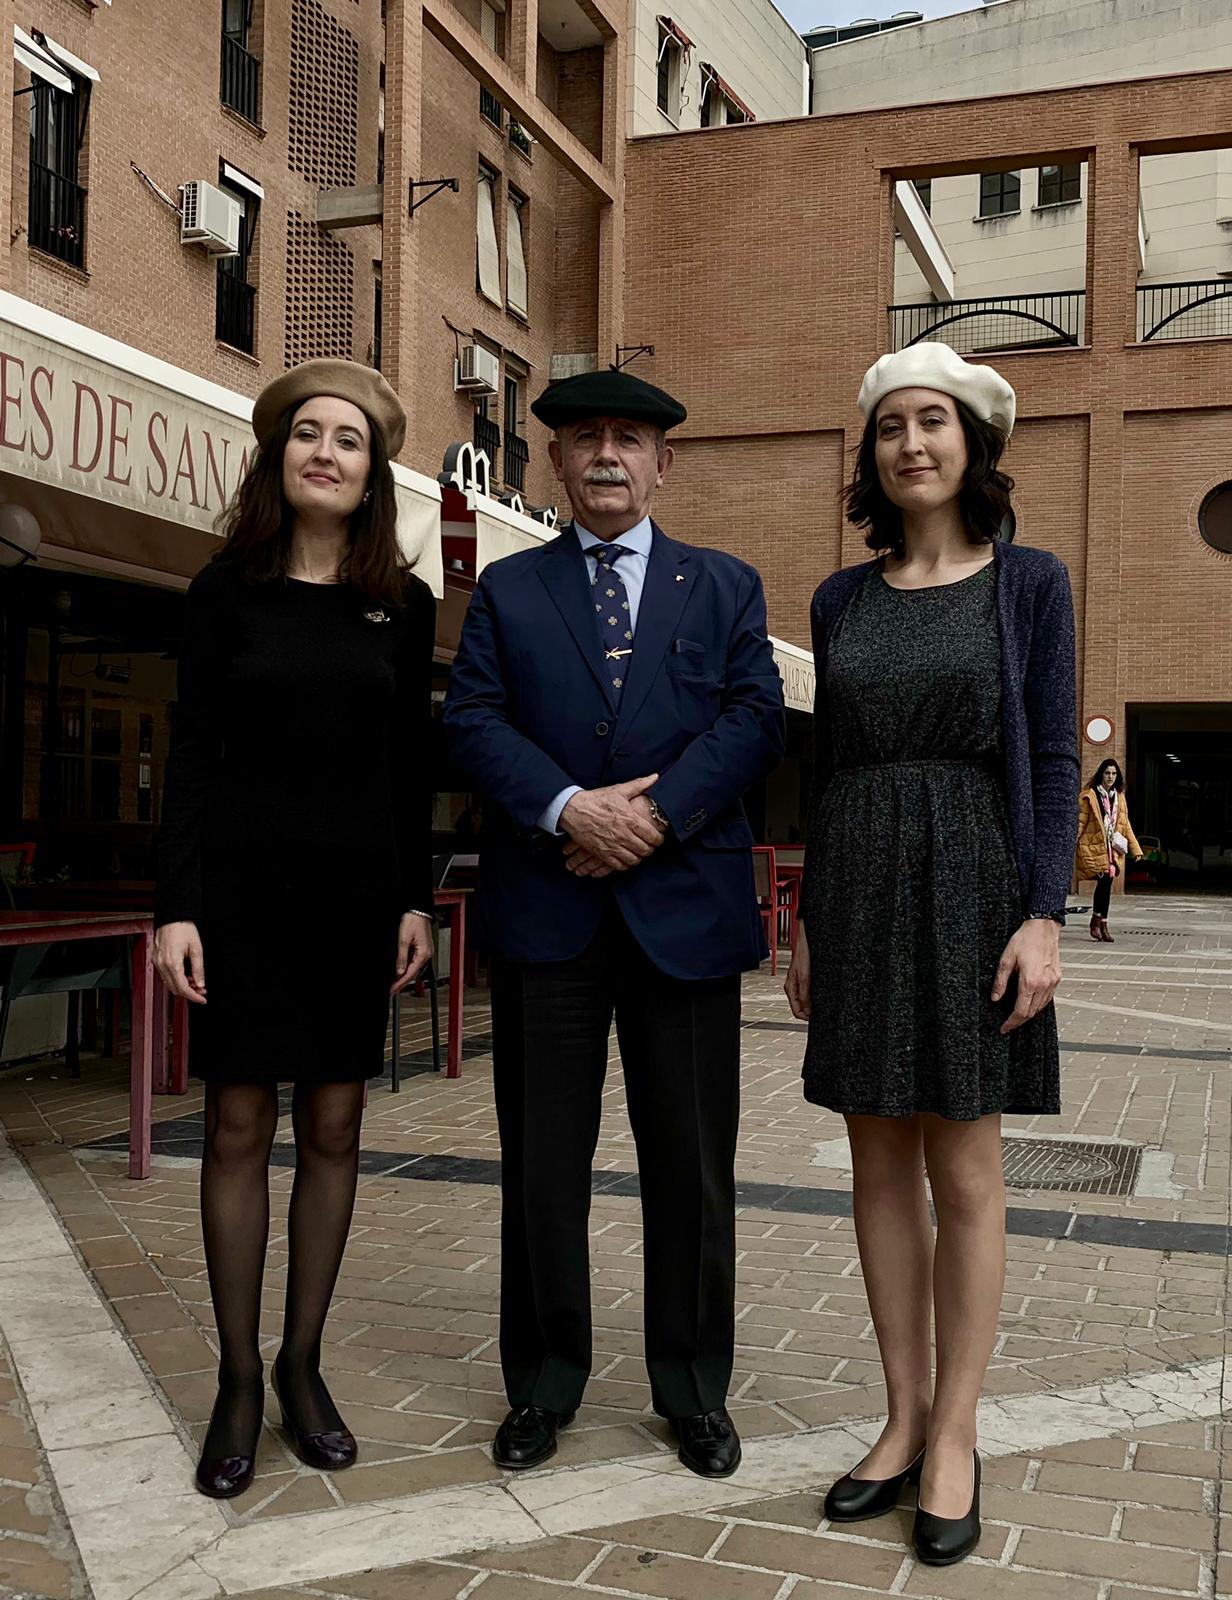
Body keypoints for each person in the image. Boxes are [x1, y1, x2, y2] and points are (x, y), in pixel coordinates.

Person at [443, 369, 785, 1478]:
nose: (606, 454)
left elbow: (755, 719)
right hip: (547, 914)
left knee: (691, 1166)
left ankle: (691, 1388)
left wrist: (654, 815)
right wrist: (565, 808)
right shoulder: (508, 590)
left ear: (662, 464)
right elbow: (472, 720)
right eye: (585, 437)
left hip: (683, 915)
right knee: (543, 1164)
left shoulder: (724, 586)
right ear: (553, 460)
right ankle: (543, 1382)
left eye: (628, 439)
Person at [784, 343, 1078, 1566]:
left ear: (972, 442)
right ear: (870, 452)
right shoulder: (837, 600)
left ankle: (954, 1430)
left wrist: (1043, 912)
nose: (910, 442)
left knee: (962, 1166)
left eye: (932, 421)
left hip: (972, 881)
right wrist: (807, 912)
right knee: (874, 1163)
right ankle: (899, 1416)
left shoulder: (1028, 582)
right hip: (857, 881)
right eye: (890, 425)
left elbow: (1051, 754)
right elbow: (823, 766)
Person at [154, 360, 436, 1499]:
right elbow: (188, 754)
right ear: (279, 458)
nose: (326, 451)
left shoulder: (403, 605)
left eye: (349, 440)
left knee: (333, 1122)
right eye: (308, 434)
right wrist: (175, 906)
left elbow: (408, 768)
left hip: (353, 900)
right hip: (238, 898)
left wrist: (413, 898)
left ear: (373, 474)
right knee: (235, 1125)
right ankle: (234, 1379)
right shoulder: (223, 590)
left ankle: (300, 1366)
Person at [1076, 758, 1143, 942]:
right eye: (1107, 773)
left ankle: (1101, 923)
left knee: (1107, 883)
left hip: (1111, 848)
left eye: (1113, 773)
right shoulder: (1089, 796)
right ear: (1101, 775)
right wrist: (1069, 844)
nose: (1110, 777)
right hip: (1094, 846)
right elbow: (1080, 822)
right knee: (1105, 880)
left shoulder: (1119, 797)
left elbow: (1125, 824)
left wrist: (1135, 849)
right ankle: (1097, 922)